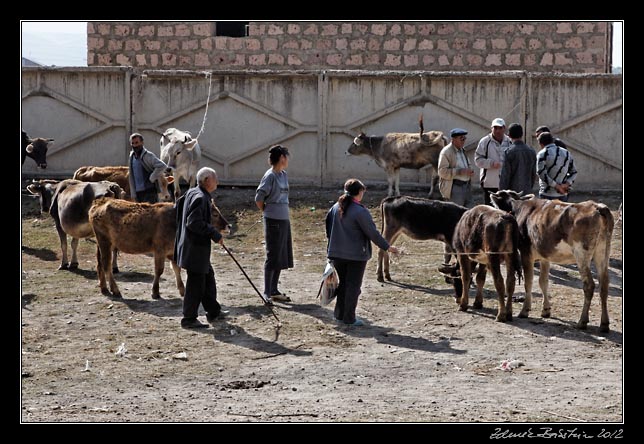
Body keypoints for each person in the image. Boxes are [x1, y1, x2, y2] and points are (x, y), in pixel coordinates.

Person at [325, 179, 399, 326]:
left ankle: (339, 315)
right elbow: (373, 233)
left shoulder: (335, 208)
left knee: (344, 284)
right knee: (353, 287)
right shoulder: (360, 211)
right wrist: (388, 247)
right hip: (355, 256)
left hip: (336, 253)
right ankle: (349, 318)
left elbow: (328, 227)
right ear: (359, 192)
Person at [174, 167, 225, 329]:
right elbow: (193, 222)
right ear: (207, 181)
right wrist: (215, 234)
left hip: (192, 246)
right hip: (194, 248)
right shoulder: (200, 198)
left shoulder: (192, 192)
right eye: (215, 178)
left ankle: (213, 311)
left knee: (207, 276)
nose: (217, 181)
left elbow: (179, 208)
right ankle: (188, 318)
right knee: (196, 283)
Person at [255, 145, 293, 305]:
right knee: (272, 255)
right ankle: (266, 292)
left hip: (284, 219)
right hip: (273, 221)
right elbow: (259, 198)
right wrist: (267, 211)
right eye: (286, 156)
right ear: (282, 158)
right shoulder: (270, 176)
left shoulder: (283, 175)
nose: (288, 160)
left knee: (281, 255)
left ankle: (274, 289)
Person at [438, 128, 474, 265]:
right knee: (452, 224)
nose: (464, 141)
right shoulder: (447, 152)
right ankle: (447, 258)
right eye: (461, 139)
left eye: (464, 139)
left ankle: (462, 254)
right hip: (455, 189)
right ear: (454, 139)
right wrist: (460, 171)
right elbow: (442, 171)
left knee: (466, 220)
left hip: (465, 187)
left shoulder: (462, 151)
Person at [474, 118, 512, 206]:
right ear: (491, 128)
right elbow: (477, 160)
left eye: (500, 128)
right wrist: (491, 163)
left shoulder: (509, 141)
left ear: (504, 128)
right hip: (489, 183)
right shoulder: (485, 142)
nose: (497, 131)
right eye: (495, 128)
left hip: (506, 183)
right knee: (490, 209)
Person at [536, 132, 577, 202]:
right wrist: (566, 184)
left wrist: (557, 186)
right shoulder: (566, 153)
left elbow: (541, 173)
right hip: (562, 195)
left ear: (541, 144)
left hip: (546, 194)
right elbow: (574, 172)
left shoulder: (542, 154)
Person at [128, 132, 168, 203]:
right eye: (132, 143)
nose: (134, 145)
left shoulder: (148, 155)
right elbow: (131, 176)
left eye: (137, 143)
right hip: (138, 193)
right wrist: (133, 194)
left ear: (142, 143)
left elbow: (162, 166)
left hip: (149, 191)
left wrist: (152, 177)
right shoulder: (132, 157)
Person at [499, 123, 538, 195]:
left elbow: (505, 176)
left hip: (512, 194)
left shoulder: (509, 152)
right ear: (522, 134)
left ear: (509, 135)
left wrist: (502, 192)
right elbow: (533, 174)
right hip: (527, 191)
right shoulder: (531, 151)